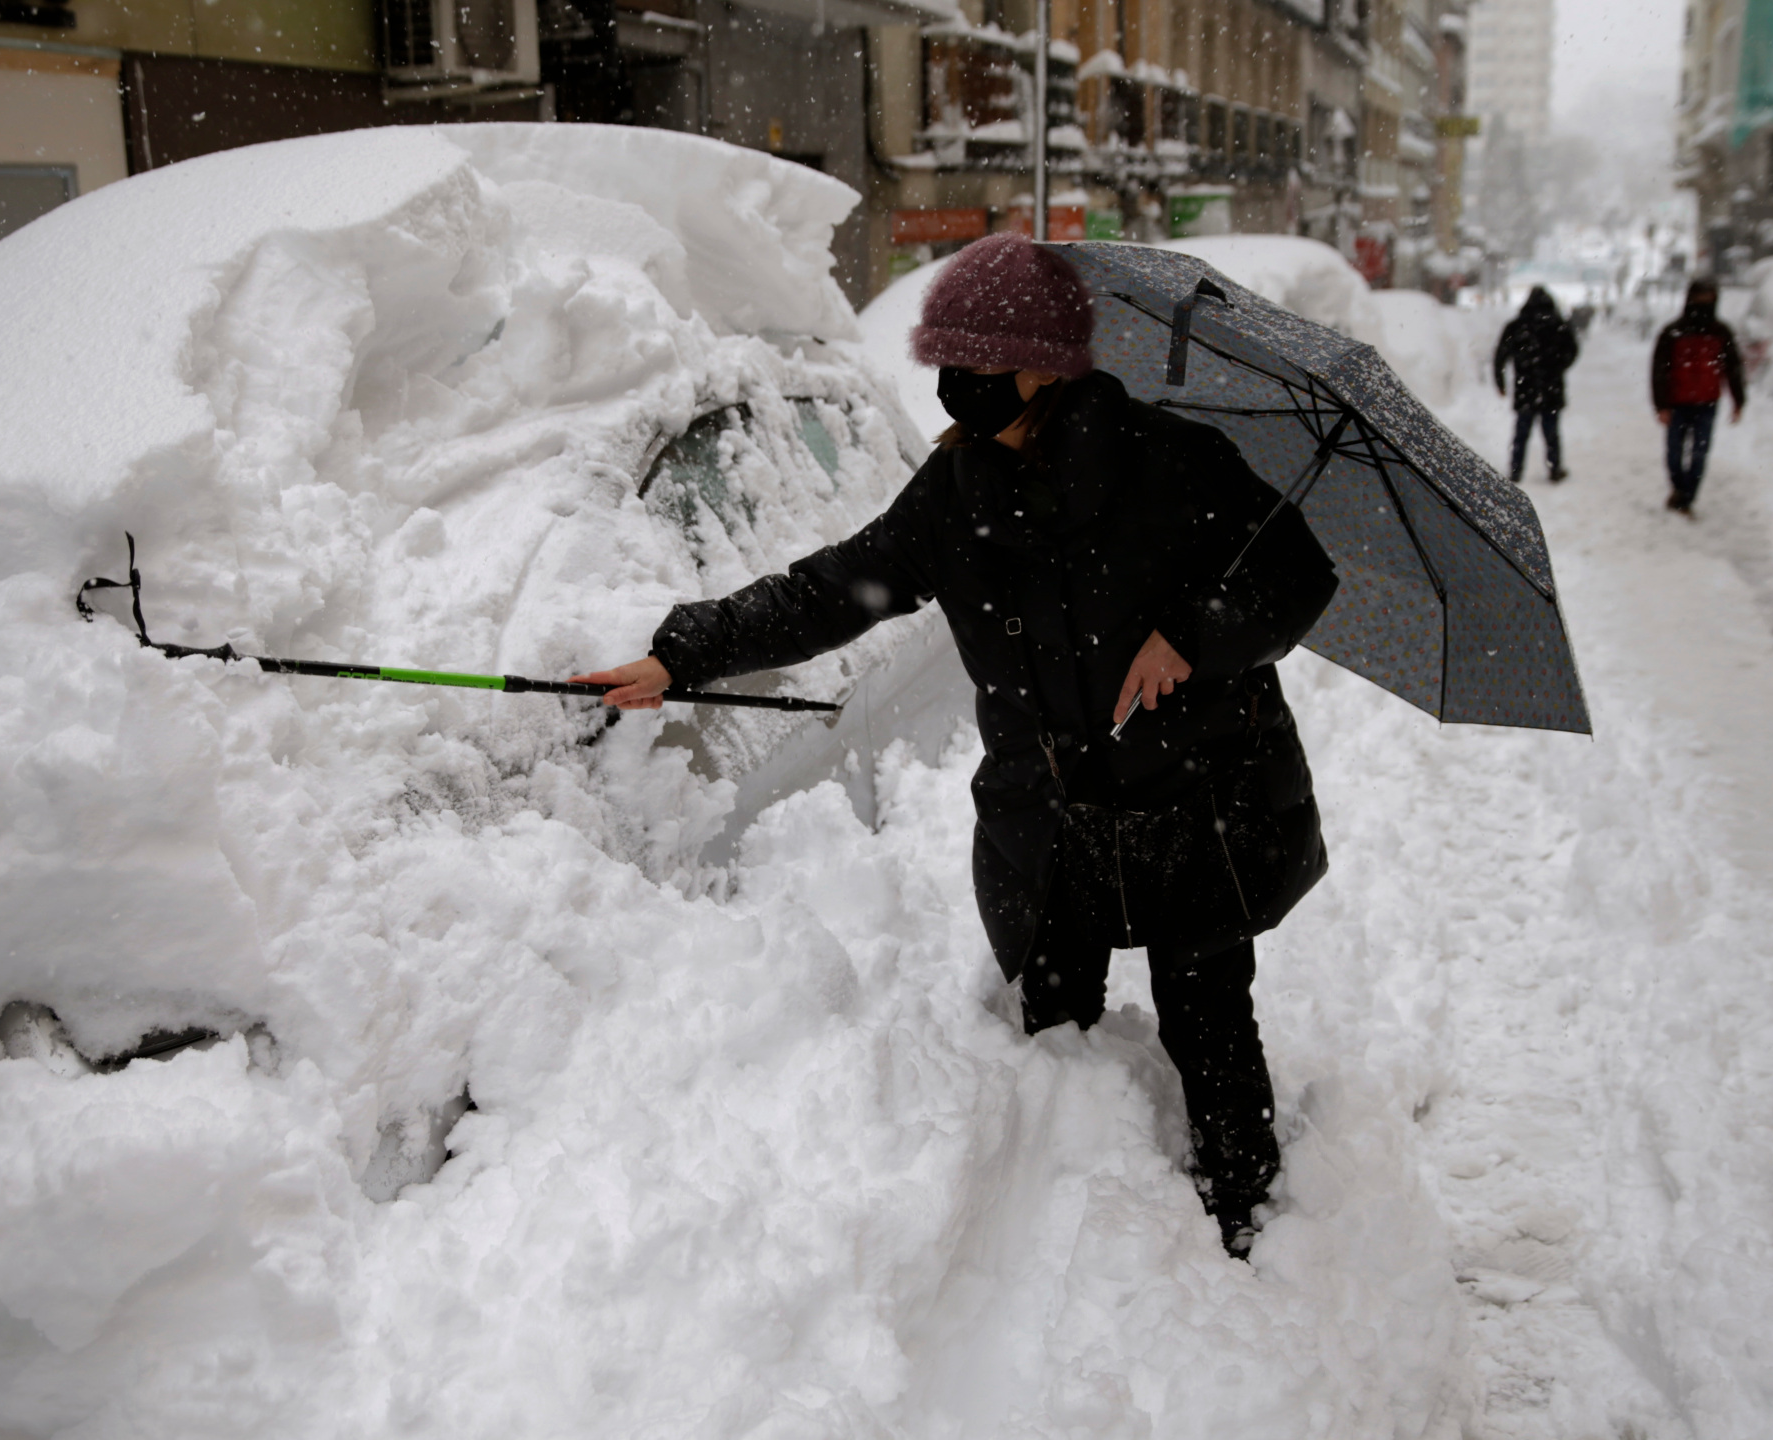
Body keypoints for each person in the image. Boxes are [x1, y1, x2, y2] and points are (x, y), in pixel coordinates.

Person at [573, 234, 1338, 1260]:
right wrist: (685, 654)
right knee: (1053, 1023)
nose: (957, 389)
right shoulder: (957, 495)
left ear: (1047, 364)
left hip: (1191, 799)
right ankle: (1061, 1229)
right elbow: (834, 590)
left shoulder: (1175, 462)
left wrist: (1193, 635)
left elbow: (1295, 574)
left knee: (1204, 1013)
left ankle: (1246, 1218)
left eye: (979, 367)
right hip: (1054, 813)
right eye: (947, 367)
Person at [1650, 279, 1746, 517]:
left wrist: (1739, 400)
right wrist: (1661, 405)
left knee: (1698, 455)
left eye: (1708, 297)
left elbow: (1733, 367)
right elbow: (1660, 370)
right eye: (1700, 297)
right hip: (1677, 403)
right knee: (1674, 453)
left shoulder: (1720, 332)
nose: (1703, 303)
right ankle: (1679, 489)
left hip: (1707, 403)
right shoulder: (1673, 332)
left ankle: (1686, 497)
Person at [1492, 287, 1580, 483]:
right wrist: (1558, 366)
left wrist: (1500, 381)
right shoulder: (1558, 325)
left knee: (1521, 433)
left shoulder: (1517, 326)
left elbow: (1500, 355)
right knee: (1551, 433)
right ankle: (1555, 468)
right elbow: (1572, 350)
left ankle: (1516, 470)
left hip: (1526, 388)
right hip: (1551, 388)